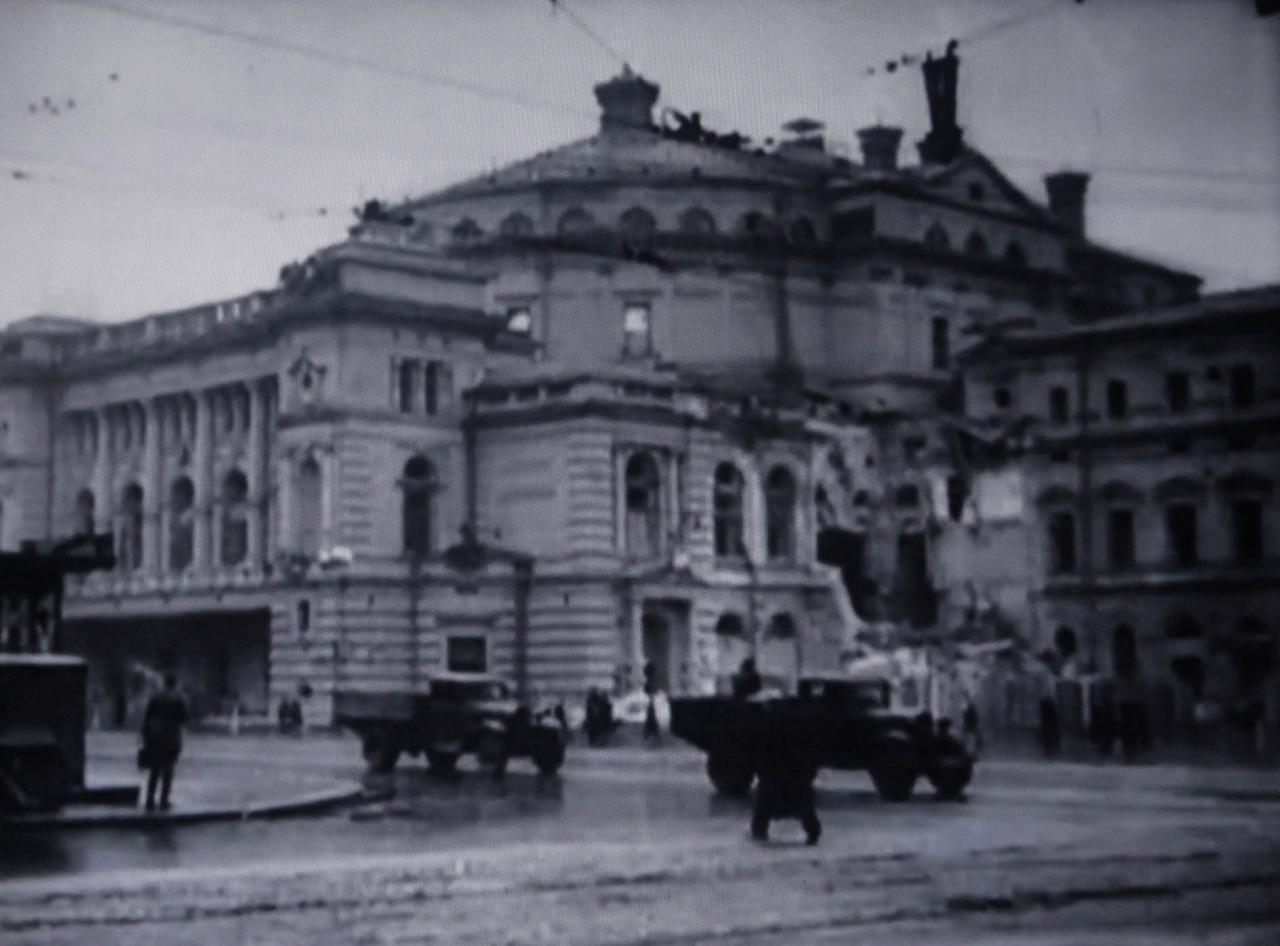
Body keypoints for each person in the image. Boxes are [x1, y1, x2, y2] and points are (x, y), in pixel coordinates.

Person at [751, 707, 820, 845]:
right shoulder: (802, 735)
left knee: (762, 814)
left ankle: (759, 836)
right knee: (807, 814)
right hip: (796, 782)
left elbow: (760, 758)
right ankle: (812, 837)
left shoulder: (768, 735)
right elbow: (811, 758)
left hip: (776, 782)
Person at [140, 673, 187, 811]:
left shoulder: (155, 697)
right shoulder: (179, 699)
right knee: (168, 769)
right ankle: (164, 800)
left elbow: (147, 717)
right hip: (171, 737)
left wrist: (145, 735)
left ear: (164, 682)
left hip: (155, 736)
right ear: (175, 683)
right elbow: (183, 718)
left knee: (154, 769)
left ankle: (150, 799)